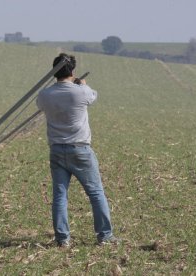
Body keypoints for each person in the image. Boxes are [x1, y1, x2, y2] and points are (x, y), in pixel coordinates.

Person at [36, 53, 119, 247]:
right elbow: (92, 96)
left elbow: (40, 105)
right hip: (80, 149)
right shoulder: (80, 92)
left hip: (56, 150)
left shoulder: (45, 95)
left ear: (54, 72)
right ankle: (105, 236)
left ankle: (62, 239)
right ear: (72, 71)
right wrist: (80, 83)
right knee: (96, 192)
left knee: (60, 195)